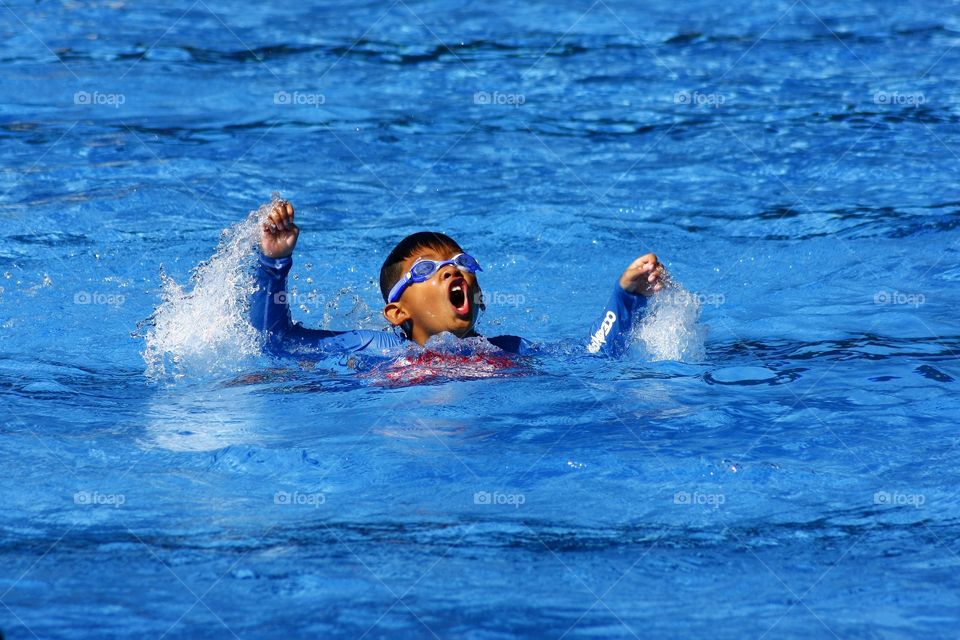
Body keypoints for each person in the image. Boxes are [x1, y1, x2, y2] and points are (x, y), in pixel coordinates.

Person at [249, 199, 666, 358]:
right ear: (396, 312)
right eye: (427, 270)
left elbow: (591, 358)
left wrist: (625, 296)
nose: (452, 269)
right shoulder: (373, 348)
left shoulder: (509, 350)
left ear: (477, 293)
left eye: (461, 261)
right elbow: (277, 343)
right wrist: (274, 265)